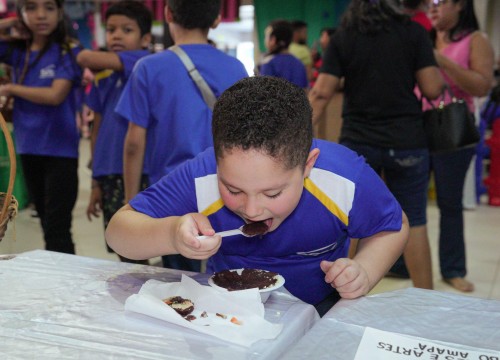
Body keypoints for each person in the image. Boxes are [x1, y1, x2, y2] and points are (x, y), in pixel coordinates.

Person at [106, 76, 409, 317]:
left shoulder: (344, 178)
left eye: (273, 192)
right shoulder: (203, 176)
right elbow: (118, 232)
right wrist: (171, 234)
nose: (251, 210)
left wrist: (365, 271)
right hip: (225, 311)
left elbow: (392, 227)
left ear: (308, 165)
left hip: (323, 310)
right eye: (234, 190)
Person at [309, 0, 445, 290]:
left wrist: (295, 138)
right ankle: (426, 300)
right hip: (406, 139)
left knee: (353, 221)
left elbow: (321, 93)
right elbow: (433, 88)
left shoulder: (343, 37)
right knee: (416, 221)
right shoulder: (413, 33)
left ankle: (345, 299)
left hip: (359, 142)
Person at [115, 0, 248, 272]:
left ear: (167, 14)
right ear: (216, 20)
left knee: (178, 273)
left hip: (173, 190)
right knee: (224, 266)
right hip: (226, 187)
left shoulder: (149, 67)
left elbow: (133, 143)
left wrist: (132, 203)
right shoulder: (235, 68)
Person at [0, 0, 83, 254]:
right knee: (46, 224)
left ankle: (66, 285)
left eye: (49, 7)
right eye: (31, 8)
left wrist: (11, 88)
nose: (40, 15)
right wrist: (12, 22)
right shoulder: (18, 50)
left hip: (60, 150)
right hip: (28, 147)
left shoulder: (68, 50)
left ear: (60, 12)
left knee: (58, 228)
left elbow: (55, 95)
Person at [424, 0, 494, 292]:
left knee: (449, 203)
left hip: (452, 129)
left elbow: (481, 86)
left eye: (439, 3)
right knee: (407, 204)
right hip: (415, 126)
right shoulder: (424, 37)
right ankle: (401, 263)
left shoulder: (476, 40)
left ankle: (452, 268)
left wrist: (441, 60)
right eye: (429, 4)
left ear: (460, 6)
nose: (433, 8)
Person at [76, 0, 153, 264]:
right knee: (122, 244)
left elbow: (84, 57)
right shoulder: (104, 75)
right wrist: (96, 181)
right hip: (109, 172)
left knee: (144, 242)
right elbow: (96, 129)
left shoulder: (143, 62)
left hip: (140, 172)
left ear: (145, 39)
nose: (116, 35)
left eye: (126, 30)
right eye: (110, 30)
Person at [257, 19, 308, 89]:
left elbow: (264, 92)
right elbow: (305, 90)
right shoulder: (299, 63)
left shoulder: (268, 63)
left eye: (266, 36)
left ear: (273, 40)